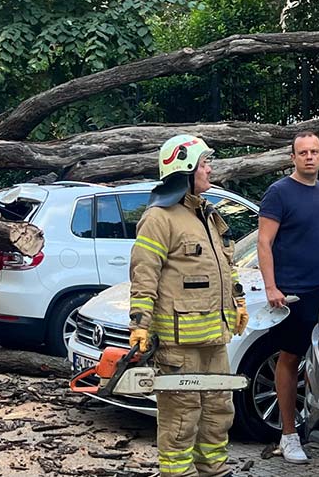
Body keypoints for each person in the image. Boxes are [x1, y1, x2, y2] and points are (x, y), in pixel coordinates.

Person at [129, 134, 249, 477]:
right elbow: (144, 274)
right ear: (185, 170)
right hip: (179, 347)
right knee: (181, 420)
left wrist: (238, 303)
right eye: (204, 164)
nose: (210, 169)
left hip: (215, 341)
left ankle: (215, 471)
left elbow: (226, 267)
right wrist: (140, 323)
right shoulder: (159, 218)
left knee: (218, 415)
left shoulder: (208, 217)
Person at [256, 131, 319, 464]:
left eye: (314, 152)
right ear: (292, 158)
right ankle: (288, 434)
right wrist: (271, 287)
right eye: (302, 152)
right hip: (293, 294)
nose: (309, 157)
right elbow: (264, 243)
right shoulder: (279, 193)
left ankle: (317, 427)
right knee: (290, 359)